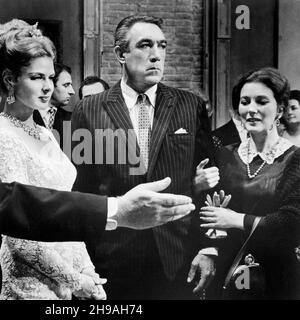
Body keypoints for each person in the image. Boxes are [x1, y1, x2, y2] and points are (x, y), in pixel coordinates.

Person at [0, 17, 195, 300]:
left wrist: (84, 271)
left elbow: (55, 201)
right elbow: (3, 205)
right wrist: (115, 212)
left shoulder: (43, 131)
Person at [71, 15, 216, 299]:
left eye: (161, 46)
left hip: (177, 256)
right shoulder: (88, 109)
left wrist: (208, 246)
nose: (156, 55)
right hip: (113, 256)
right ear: (120, 54)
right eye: (145, 45)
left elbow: (210, 182)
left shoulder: (190, 105)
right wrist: (80, 260)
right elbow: (82, 189)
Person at [0, 19, 106, 300]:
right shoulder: (1, 137)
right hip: (27, 288)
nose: (48, 86)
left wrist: (88, 273)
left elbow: (66, 210)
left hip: (63, 285)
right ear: (10, 80)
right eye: (36, 77)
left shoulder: (44, 132)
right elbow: (18, 238)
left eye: (50, 77)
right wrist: (77, 281)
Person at [200, 67, 300, 299]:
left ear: (280, 109)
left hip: (276, 275)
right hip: (227, 269)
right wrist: (209, 247)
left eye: (261, 101)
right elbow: (209, 214)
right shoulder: (224, 155)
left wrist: (235, 219)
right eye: (245, 102)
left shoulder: (295, 159)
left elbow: (292, 222)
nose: (251, 109)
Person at [33, 63, 74, 149]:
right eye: (66, 85)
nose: (72, 91)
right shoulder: (26, 115)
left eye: (71, 85)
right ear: (50, 85)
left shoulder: (71, 119)